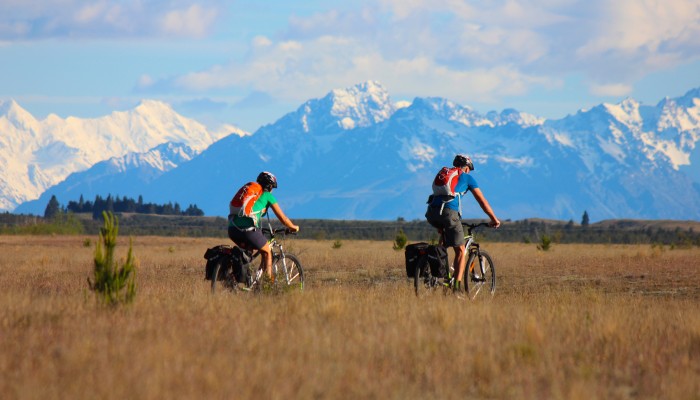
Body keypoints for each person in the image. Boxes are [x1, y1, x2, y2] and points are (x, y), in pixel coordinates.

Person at [425, 154, 500, 295]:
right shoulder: (467, 177)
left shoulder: (446, 173)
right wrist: (494, 219)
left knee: (443, 244)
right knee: (460, 251)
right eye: (469, 170)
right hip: (449, 213)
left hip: (432, 212)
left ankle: (438, 276)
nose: (469, 172)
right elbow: (483, 202)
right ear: (466, 168)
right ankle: (456, 289)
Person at [228, 171, 299, 280]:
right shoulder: (267, 195)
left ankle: (242, 279)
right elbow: (283, 219)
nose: (272, 191)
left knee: (249, 251)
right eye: (272, 188)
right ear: (270, 186)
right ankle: (267, 285)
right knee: (267, 252)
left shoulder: (253, 195)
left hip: (232, 229)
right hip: (247, 230)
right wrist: (293, 227)